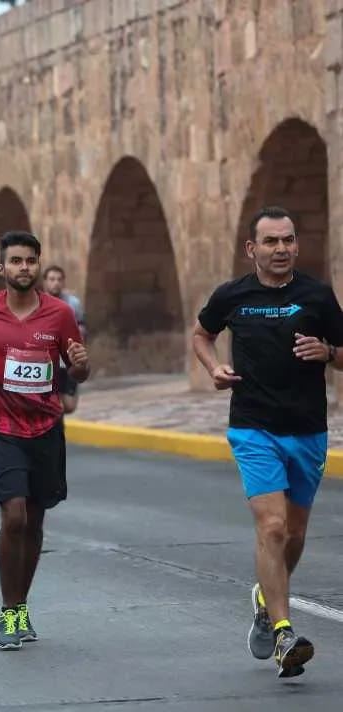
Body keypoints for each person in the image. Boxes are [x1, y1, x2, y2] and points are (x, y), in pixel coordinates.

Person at [192, 206, 342, 679]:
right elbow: (202, 334)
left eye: (288, 240)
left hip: (308, 430)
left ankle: (264, 597)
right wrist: (214, 367)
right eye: (271, 241)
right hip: (253, 428)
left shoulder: (317, 295)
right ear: (251, 248)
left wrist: (329, 352)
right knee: (272, 527)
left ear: (297, 244)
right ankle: (283, 632)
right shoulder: (232, 295)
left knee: (293, 535)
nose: (281, 249)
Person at [0, 231, 88, 652]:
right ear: (2, 268)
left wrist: (81, 366)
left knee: (36, 520)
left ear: (38, 265)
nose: (24, 267)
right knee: (14, 515)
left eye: (30, 260)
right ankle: (9, 611)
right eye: (16, 261)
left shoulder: (60, 313)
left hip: (45, 426)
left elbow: (76, 370)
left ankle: (21, 603)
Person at [43, 266, 86, 414]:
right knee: (49, 402)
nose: (56, 283)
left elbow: (81, 325)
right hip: (46, 361)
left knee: (69, 406)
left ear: (63, 282)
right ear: (45, 282)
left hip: (67, 360)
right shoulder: (38, 302)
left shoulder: (73, 303)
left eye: (59, 279)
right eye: (52, 279)